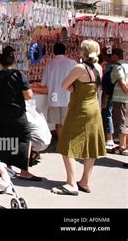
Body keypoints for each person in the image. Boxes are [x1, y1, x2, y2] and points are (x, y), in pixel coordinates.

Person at [52, 39, 106, 195]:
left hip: (79, 108)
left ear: (84, 51)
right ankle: (84, 182)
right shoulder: (98, 68)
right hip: (94, 108)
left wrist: (73, 87)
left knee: (66, 143)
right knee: (91, 145)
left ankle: (71, 183)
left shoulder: (80, 68)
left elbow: (64, 85)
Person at [0, 46, 41, 181]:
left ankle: (7, 167)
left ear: (0, 61)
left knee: (5, 138)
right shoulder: (19, 75)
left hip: (0, 113)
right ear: (14, 60)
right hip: (16, 113)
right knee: (24, 137)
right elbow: (28, 95)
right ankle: (24, 171)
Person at [39, 43, 77, 139]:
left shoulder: (49, 64)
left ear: (53, 52)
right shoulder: (72, 63)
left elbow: (43, 83)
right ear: (65, 51)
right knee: (68, 123)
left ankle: (61, 144)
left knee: (59, 124)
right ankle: (67, 145)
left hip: (54, 98)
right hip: (68, 97)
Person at [110, 48, 128, 155]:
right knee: (126, 121)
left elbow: (122, 83)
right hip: (125, 98)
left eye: (112, 55)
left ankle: (122, 146)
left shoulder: (118, 67)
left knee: (121, 121)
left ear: (116, 56)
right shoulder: (127, 66)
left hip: (120, 98)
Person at [101, 50, 117, 150]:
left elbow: (107, 83)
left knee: (107, 114)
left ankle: (109, 139)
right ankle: (110, 138)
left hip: (109, 93)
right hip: (115, 94)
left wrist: (106, 96)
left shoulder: (110, 67)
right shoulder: (115, 66)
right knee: (110, 114)